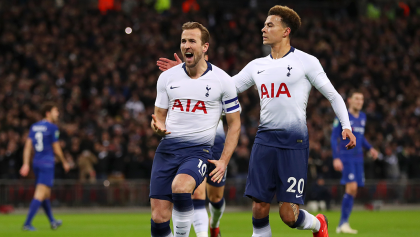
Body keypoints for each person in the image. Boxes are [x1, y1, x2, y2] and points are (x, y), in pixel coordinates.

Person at [159, 5, 357, 237]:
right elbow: (222, 86)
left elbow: (333, 95)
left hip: (294, 142)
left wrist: (346, 126)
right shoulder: (257, 66)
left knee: (288, 215)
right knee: (259, 206)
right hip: (264, 141)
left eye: (269, 25)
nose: (263, 29)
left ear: (286, 31)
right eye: (264, 24)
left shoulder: (306, 61)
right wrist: (186, 71)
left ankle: (318, 224)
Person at [149, 22, 241, 237]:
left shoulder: (223, 80)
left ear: (205, 46)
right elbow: (159, 117)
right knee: (159, 218)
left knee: (182, 187)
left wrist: (224, 160)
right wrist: (158, 128)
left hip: (198, 151)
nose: (186, 45)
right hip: (167, 150)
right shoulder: (167, 78)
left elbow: (234, 123)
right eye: (183, 41)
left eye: (192, 41)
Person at [158, 53, 227, 237]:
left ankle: (215, 223)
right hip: (196, 143)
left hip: (217, 141)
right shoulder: (180, 77)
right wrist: (183, 75)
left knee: (216, 198)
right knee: (196, 194)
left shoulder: (220, 79)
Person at [331, 90, 378, 234]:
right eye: (357, 99)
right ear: (349, 100)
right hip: (346, 157)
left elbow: (360, 137)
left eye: (362, 99)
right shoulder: (342, 116)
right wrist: (336, 157)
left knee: (354, 189)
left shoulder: (363, 117)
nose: (359, 102)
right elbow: (334, 137)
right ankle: (342, 223)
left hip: (359, 158)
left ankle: (343, 223)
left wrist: (370, 148)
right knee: (351, 188)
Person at [20, 102, 70, 231]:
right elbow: (57, 148)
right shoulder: (52, 127)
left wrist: (26, 163)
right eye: (55, 111)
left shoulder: (34, 127)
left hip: (36, 162)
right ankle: (27, 223)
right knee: (40, 194)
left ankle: (53, 221)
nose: (57, 114)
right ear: (48, 113)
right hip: (47, 163)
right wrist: (64, 161)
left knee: (46, 194)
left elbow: (27, 147)